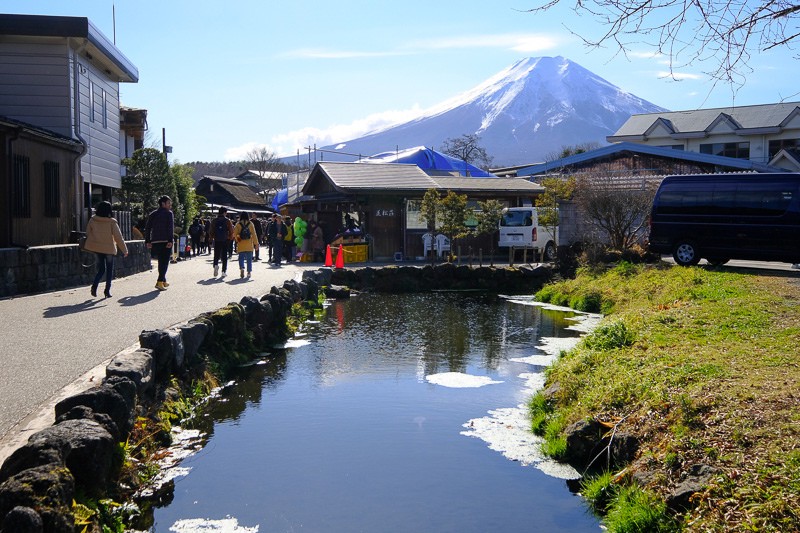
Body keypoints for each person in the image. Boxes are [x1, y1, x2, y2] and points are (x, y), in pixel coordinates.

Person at [84, 201, 128, 298]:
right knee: (109, 270)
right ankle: (107, 291)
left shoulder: (92, 220)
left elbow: (88, 233)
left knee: (101, 270)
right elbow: (118, 237)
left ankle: (94, 286)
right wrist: (124, 250)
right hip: (109, 249)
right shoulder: (112, 222)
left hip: (97, 248)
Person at [144, 195, 174, 291]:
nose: (170, 205)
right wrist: (170, 240)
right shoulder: (169, 213)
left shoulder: (153, 214)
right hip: (165, 240)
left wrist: (148, 240)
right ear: (163, 204)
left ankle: (163, 280)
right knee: (164, 262)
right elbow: (170, 228)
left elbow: (148, 228)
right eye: (168, 203)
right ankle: (159, 281)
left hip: (155, 241)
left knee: (161, 261)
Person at [234, 211, 259, 278]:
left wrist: (239, 240)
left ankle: (242, 268)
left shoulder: (238, 224)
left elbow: (235, 234)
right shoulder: (251, 224)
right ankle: (249, 272)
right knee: (249, 259)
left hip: (241, 245)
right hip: (249, 244)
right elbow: (254, 234)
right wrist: (256, 244)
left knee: (241, 258)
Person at [210, 207, 234, 277]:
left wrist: (211, 239)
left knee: (216, 254)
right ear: (224, 213)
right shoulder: (227, 220)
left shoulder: (214, 220)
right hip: (225, 240)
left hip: (217, 239)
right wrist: (230, 238)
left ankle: (216, 265)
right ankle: (223, 271)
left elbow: (211, 231)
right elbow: (231, 231)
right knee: (224, 256)